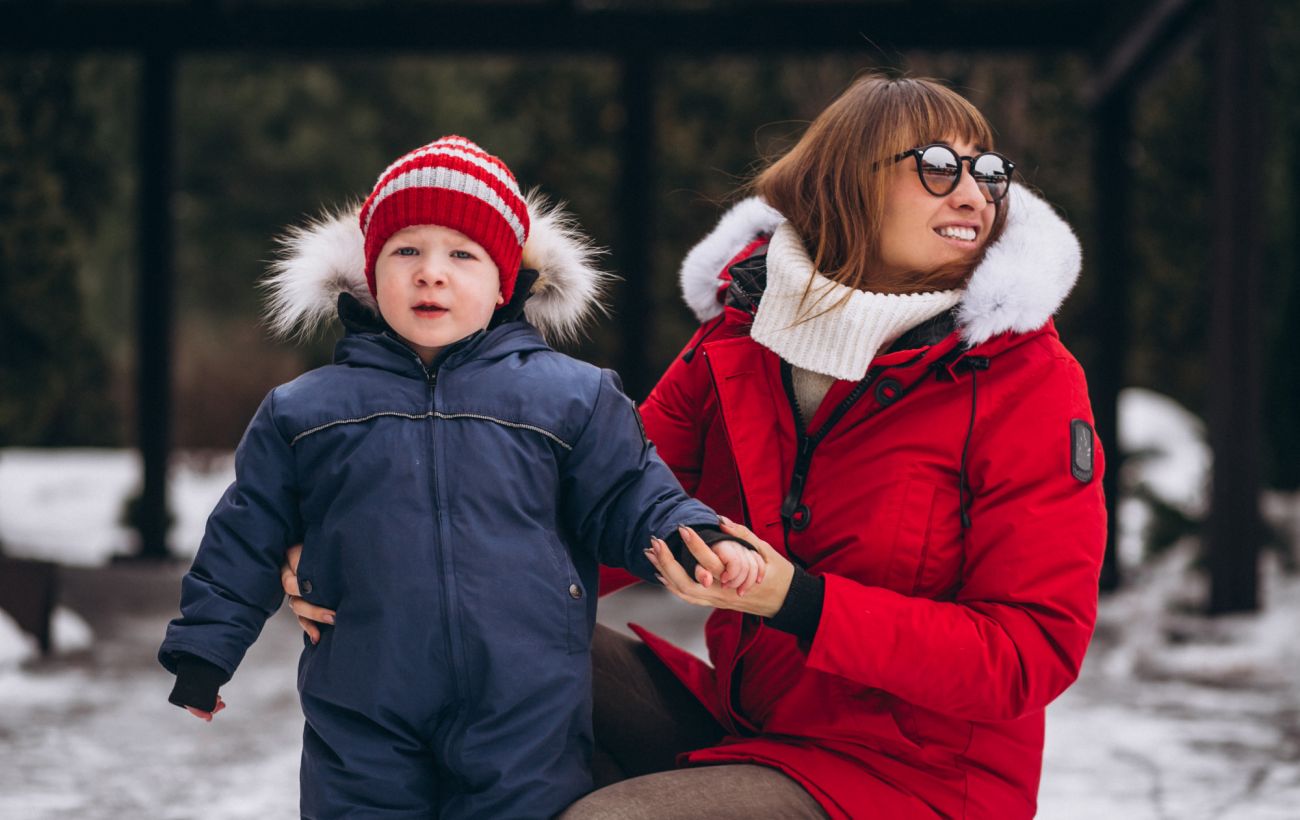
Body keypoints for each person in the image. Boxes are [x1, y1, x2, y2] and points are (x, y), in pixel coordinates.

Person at [288, 74, 1107, 819]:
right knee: (468, 655)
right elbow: (589, 504)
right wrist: (373, 566)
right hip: (750, 723)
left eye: (988, 171)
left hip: (916, 781)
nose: (972, 191)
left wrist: (800, 601)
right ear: (848, 182)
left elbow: (1028, 651)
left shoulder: (1024, 378)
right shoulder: (742, 337)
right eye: (936, 164)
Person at [158, 136, 762, 820]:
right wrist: (205, 651)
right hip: (364, 700)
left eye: (462, 254)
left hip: (523, 706)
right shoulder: (307, 410)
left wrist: (696, 538)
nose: (430, 274)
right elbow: (245, 531)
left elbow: (631, 494)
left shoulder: (571, 398)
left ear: (506, 280)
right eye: (405, 250)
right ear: (369, 272)